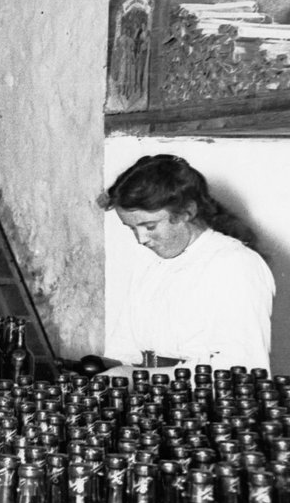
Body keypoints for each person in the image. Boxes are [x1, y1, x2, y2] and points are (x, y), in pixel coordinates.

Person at [101, 155, 274, 373]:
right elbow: (124, 348)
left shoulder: (236, 264)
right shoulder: (150, 263)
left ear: (186, 212)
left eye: (150, 226)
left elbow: (242, 368)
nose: (141, 239)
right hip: (152, 396)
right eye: (132, 228)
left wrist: (138, 376)